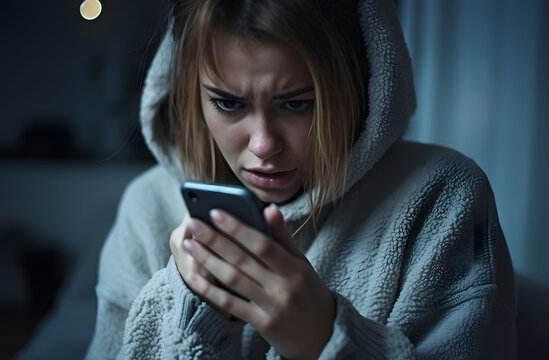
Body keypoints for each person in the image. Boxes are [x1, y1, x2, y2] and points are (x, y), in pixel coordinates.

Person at [86, 0, 517, 358]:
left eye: (296, 105)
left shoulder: (442, 196)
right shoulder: (147, 208)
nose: (262, 145)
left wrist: (324, 337)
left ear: (359, 85)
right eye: (228, 104)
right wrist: (183, 304)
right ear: (192, 90)